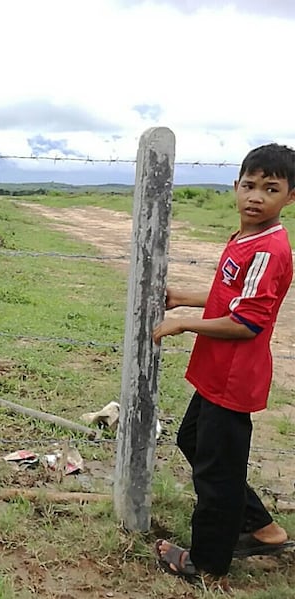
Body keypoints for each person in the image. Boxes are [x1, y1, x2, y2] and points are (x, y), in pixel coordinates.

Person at [152, 143, 295, 592]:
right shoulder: (243, 238)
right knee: (194, 440)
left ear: (290, 197)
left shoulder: (270, 249)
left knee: (216, 471)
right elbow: (227, 295)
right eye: (249, 185)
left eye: (270, 188)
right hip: (216, 372)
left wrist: (181, 324)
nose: (256, 196)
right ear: (235, 187)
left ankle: (207, 563)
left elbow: (246, 322)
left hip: (233, 378)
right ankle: (261, 527)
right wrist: (183, 297)